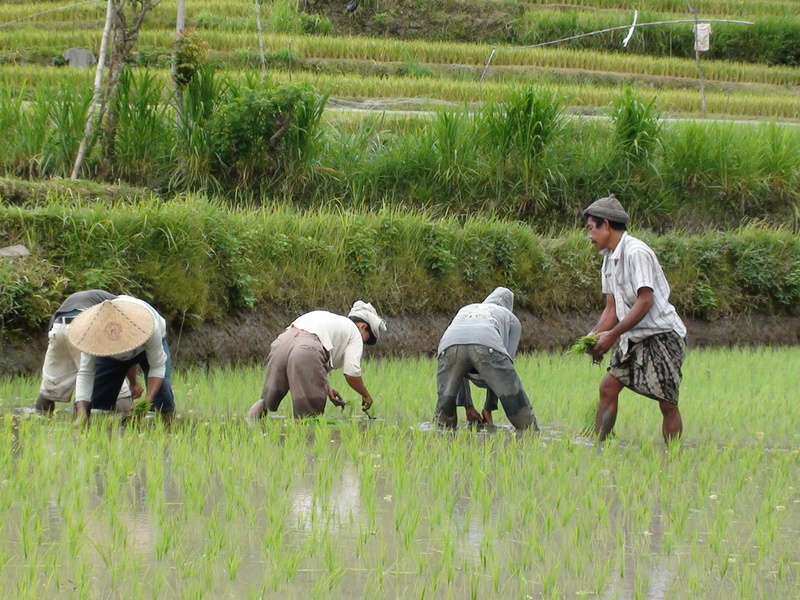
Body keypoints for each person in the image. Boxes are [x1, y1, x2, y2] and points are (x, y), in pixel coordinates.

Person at [583, 194, 687, 442]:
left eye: (591, 228)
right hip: (632, 336)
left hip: (661, 335)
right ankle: (599, 445)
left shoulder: (636, 252)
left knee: (666, 402)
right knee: (608, 388)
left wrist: (613, 336)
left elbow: (645, 300)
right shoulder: (608, 260)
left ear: (606, 225)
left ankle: (673, 456)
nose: (589, 235)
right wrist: (595, 334)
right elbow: (611, 308)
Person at [246, 301, 387, 420]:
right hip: (307, 350)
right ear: (363, 326)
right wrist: (366, 395)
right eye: (366, 338)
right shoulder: (354, 333)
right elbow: (351, 373)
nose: (363, 342)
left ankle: (249, 431)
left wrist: (326, 387)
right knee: (309, 417)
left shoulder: (333, 320)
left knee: (265, 400)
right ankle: (309, 449)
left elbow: (311, 358)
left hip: (282, 342)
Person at [435, 287, 537, 430]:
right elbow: (503, 369)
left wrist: (468, 406)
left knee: (443, 417)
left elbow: (459, 372)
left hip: (448, 346)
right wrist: (489, 407)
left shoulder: (467, 309)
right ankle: (529, 432)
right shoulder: (510, 318)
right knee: (523, 416)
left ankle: (440, 439)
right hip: (486, 344)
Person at [68, 296, 175, 426]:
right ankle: (100, 431)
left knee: (162, 394)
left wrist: (146, 402)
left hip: (145, 349)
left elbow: (157, 366)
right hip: (108, 356)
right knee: (97, 403)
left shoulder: (148, 327)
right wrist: (81, 413)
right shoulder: (91, 336)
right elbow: (85, 373)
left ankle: (168, 427)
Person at [34, 290, 138, 415]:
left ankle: (39, 418)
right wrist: (134, 383)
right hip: (84, 326)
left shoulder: (97, 297)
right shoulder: (121, 306)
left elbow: (53, 325)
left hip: (58, 329)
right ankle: (126, 420)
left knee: (50, 386)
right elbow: (125, 351)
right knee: (119, 388)